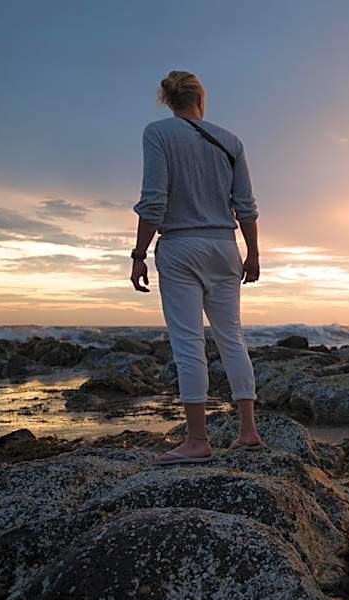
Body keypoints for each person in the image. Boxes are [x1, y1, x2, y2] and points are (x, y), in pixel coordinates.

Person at [130, 70, 262, 464]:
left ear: (167, 101)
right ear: (200, 99)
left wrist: (139, 255)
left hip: (181, 245)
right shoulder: (230, 141)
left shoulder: (158, 133)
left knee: (188, 343)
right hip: (225, 246)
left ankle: (197, 440)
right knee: (232, 338)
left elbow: (154, 200)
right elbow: (246, 205)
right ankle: (248, 431)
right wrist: (253, 253)